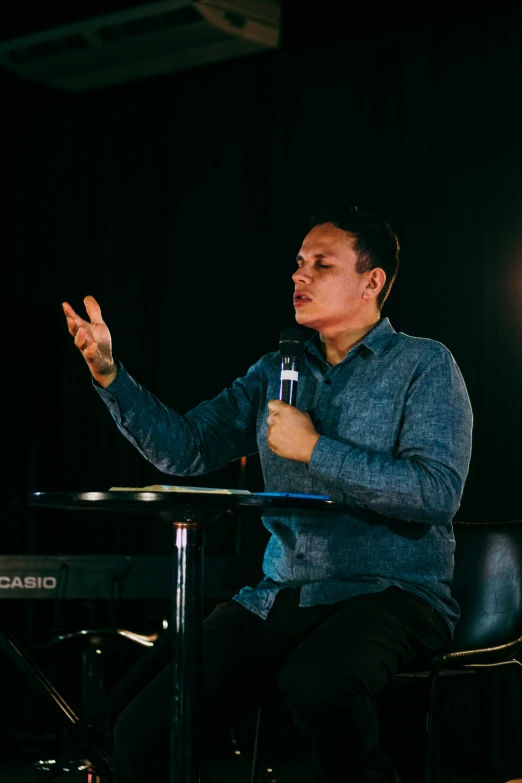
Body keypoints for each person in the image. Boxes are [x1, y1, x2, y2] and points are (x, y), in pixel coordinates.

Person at [62, 206, 473, 783]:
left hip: (392, 592)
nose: (299, 276)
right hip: (283, 593)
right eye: (298, 264)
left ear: (372, 280)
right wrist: (111, 375)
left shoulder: (424, 364)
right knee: (143, 731)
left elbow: (435, 494)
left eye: (321, 265)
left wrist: (315, 450)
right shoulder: (274, 369)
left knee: (316, 685)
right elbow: (186, 450)